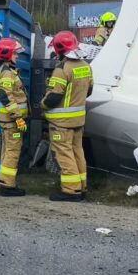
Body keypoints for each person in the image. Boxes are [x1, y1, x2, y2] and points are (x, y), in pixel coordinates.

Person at [42, 31, 93, 201]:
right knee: (78, 152)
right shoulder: (86, 66)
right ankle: (81, 187)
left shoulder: (62, 69)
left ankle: (71, 190)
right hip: (78, 120)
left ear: (59, 48)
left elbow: (53, 97)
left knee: (64, 154)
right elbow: (89, 90)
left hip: (61, 123)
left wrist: (42, 104)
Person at [0, 38, 30, 197]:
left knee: (7, 151)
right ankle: (8, 186)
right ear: (6, 54)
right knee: (12, 151)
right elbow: (6, 97)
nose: (17, 56)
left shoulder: (4, 70)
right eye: (14, 53)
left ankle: (5, 182)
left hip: (8, 120)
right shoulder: (6, 72)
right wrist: (18, 118)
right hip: (12, 121)